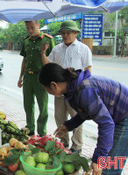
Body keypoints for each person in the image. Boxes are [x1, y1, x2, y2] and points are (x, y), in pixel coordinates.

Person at [39, 63, 128, 175]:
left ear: (54, 85)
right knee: (107, 161)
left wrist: (97, 159)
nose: (47, 92)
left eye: (46, 89)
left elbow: (106, 124)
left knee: (111, 167)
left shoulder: (84, 91)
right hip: (118, 115)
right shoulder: (72, 89)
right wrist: (68, 126)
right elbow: (85, 112)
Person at [41, 19, 92, 153]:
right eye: (63, 33)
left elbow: (88, 70)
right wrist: (42, 53)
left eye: (68, 32)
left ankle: (76, 146)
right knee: (60, 118)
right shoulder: (57, 49)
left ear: (75, 33)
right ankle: (63, 144)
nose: (65, 35)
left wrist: (86, 90)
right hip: (59, 90)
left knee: (77, 118)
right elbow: (48, 65)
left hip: (76, 92)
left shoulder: (83, 49)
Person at [18, 20, 55, 136]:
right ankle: (30, 127)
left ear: (38, 26)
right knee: (27, 104)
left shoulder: (48, 40)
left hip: (41, 77)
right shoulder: (26, 41)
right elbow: (24, 60)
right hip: (28, 77)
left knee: (43, 106)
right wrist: (20, 77)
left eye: (32, 28)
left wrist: (50, 79)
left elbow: (52, 61)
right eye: (27, 28)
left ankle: (42, 131)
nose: (30, 30)